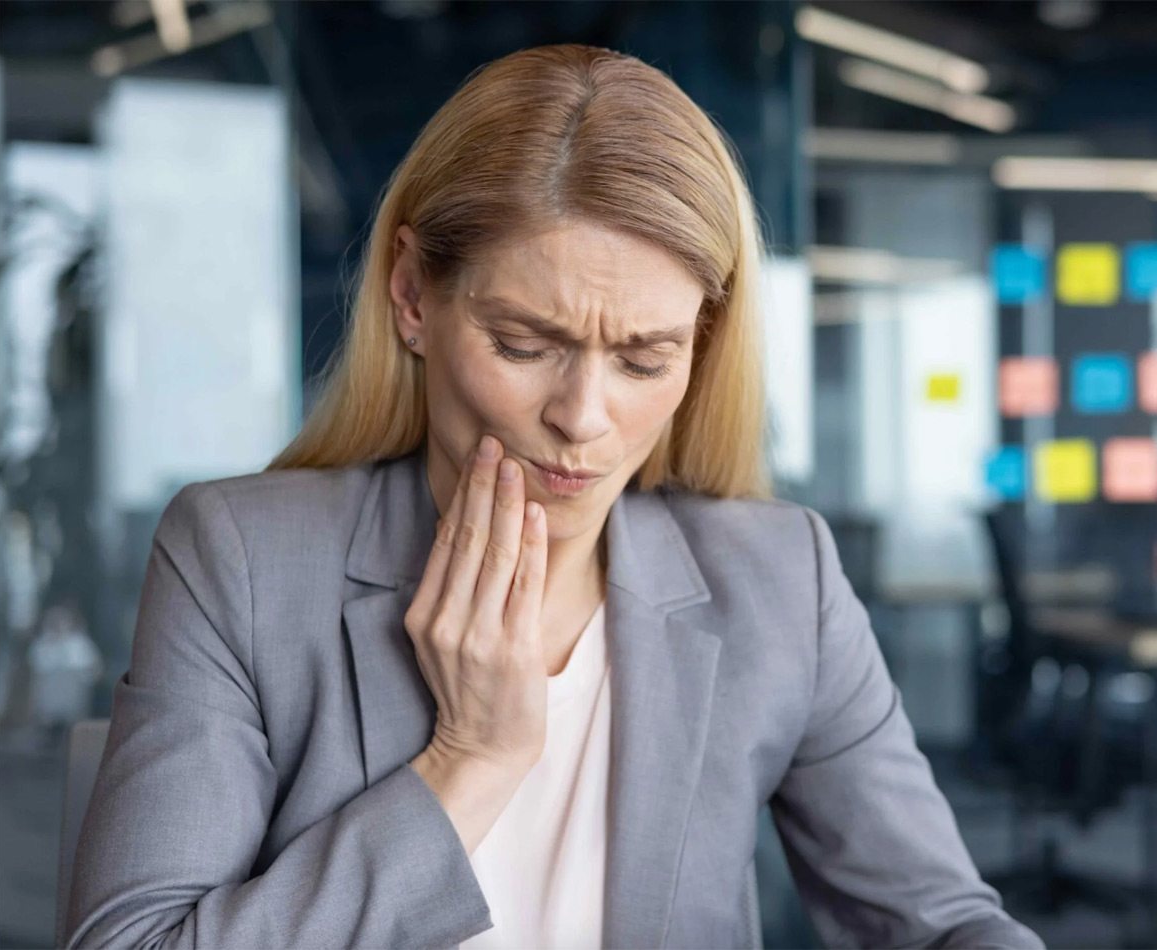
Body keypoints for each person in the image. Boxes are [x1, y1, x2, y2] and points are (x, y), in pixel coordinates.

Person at [62, 45, 1042, 950]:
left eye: (645, 357)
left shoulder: (783, 581)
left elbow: (944, 921)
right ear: (411, 294)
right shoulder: (240, 559)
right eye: (525, 345)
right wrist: (468, 761)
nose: (583, 416)